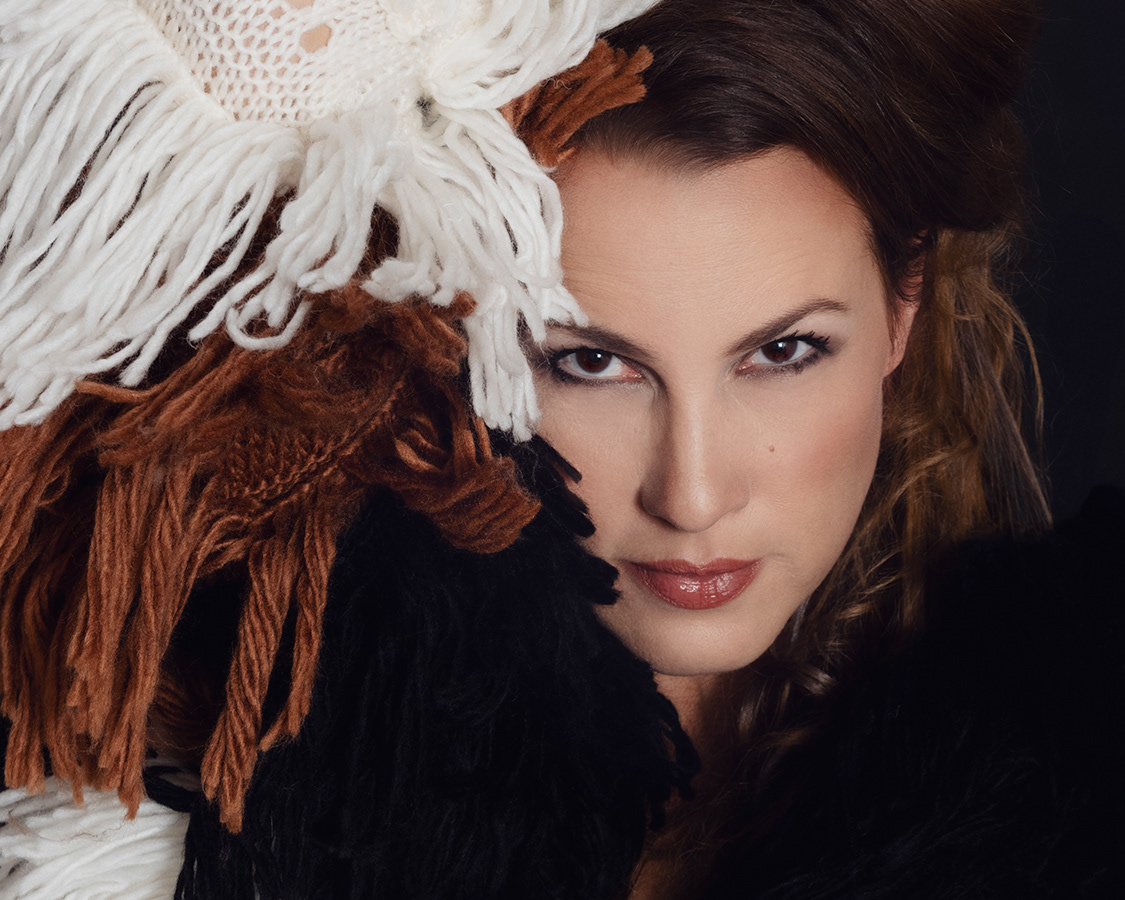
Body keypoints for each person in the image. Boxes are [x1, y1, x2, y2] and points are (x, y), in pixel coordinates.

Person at [0, 1, 1122, 899]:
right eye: (588, 363)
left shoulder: (1065, 765)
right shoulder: (206, 797)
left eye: (782, 352)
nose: (692, 493)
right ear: (450, 340)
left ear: (903, 305)